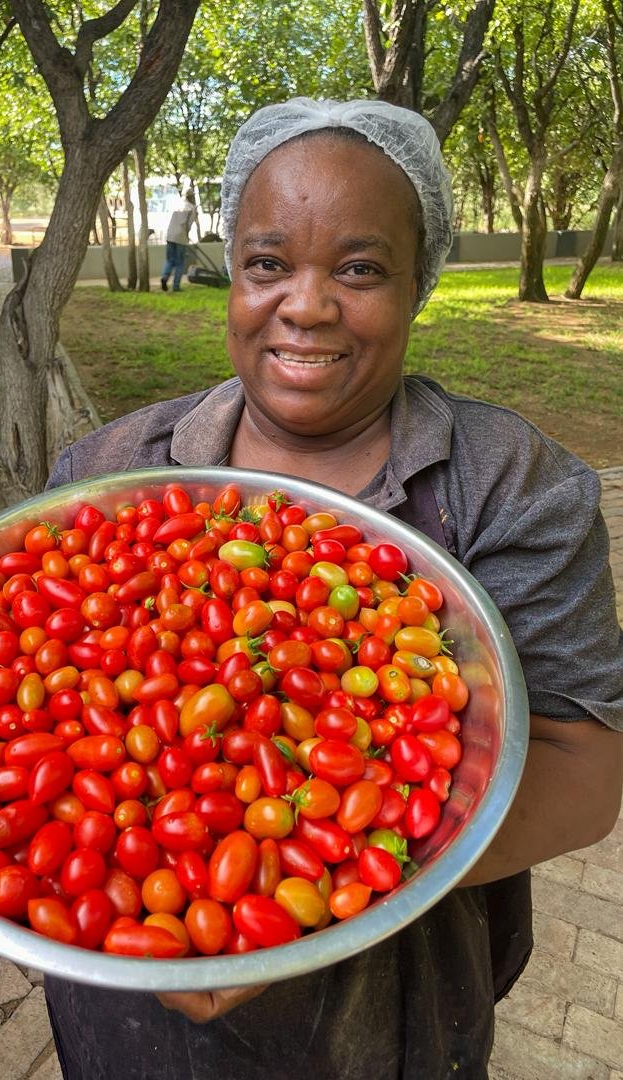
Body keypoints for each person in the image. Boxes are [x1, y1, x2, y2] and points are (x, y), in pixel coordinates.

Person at [45, 98, 623, 1078]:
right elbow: (46, 729)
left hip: (396, 1021)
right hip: (125, 1015)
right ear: (233, 273)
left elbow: (581, 776)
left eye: (359, 269)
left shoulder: (513, 488)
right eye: (270, 263)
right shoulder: (109, 469)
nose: (305, 305)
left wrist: (340, 894)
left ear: (418, 284)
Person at [160, 188, 196, 291]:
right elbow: (188, 225)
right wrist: (187, 235)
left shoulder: (177, 205)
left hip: (170, 235)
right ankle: (176, 286)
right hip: (181, 237)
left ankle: (164, 278)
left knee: (170, 260)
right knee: (180, 263)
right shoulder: (191, 208)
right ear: (191, 197)